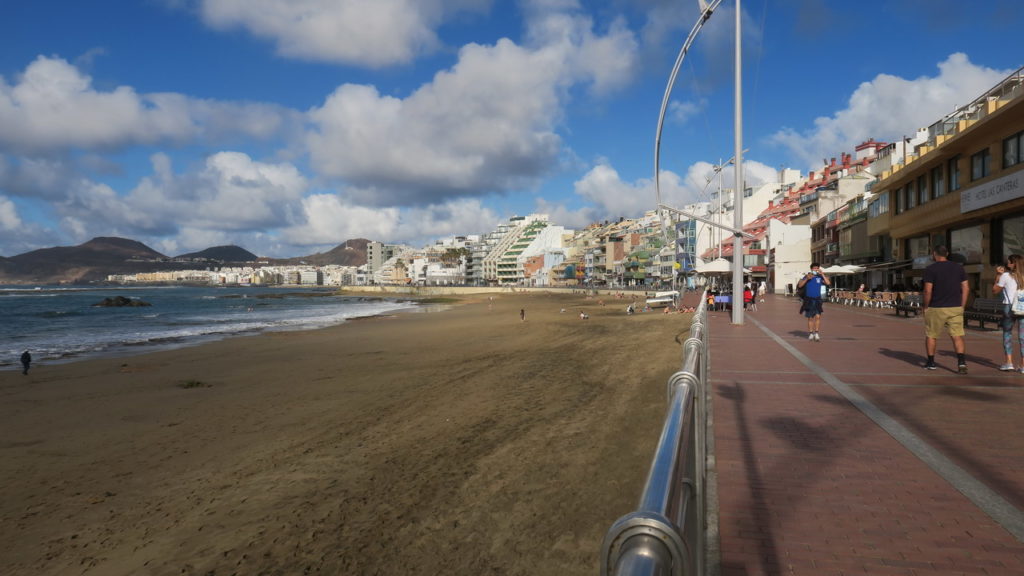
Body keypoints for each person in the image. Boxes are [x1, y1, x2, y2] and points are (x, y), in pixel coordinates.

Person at [922, 246, 969, 373]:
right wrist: (962, 305)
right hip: (955, 307)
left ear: (934, 254)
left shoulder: (930, 269)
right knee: (957, 336)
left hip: (936, 307)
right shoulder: (959, 268)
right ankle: (961, 363)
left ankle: (931, 362)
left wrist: (925, 306)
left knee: (931, 335)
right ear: (947, 254)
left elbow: (927, 290)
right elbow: (966, 288)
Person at [993, 255, 1024, 371]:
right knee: (1023, 337)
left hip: (1009, 307)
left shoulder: (1005, 276)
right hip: (1022, 307)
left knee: (1007, 334)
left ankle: (1009, 362)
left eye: (1009, 263)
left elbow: (995, 290)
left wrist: (998, 275)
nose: (1007, 265)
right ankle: (1023, 365)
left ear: (1013, 264)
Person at [796, 263, 831, 341]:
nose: (815, 270)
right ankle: (811, 333)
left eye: (817, 268)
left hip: (818, 299)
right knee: (810, 317)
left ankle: (817, 333)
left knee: (818, 316)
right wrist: (807, 279)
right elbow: (800, 285)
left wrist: (822, 274)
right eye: (814, 268)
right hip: (809, 299)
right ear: (811, 269)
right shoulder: (807, 276)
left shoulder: (820, 277)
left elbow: (828, 283)